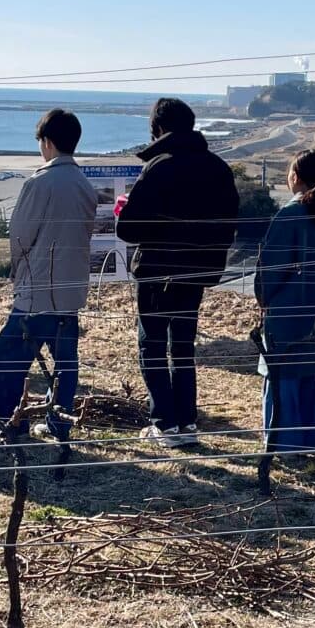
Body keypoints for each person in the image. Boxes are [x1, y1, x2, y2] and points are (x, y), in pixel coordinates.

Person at [115, 97, 239, 446]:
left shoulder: (160, 166)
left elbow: (129, 229)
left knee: (151, 344)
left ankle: (164, 423)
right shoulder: (218, 167)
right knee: (183, 345)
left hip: (157, 269)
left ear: (157, 128)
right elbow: (229, 224)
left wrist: (123, 212)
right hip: (198, 270)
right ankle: (186, 422)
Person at [0, 108, 98, 443]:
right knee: (65, 363)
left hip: (37, 292)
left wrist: (18, 273)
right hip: (70, 291)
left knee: (4, 359)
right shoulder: (85, 185)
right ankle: (60, 423)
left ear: (46, 142)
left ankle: (10, 423)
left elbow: (19, 236)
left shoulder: (40, 182)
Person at [255, 149, 315, 452]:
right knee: (309, 375)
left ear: (294, 176)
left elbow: (269, 271)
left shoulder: (288, 215)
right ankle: (311, 440)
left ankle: (282, 442)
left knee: (281, 376)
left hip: (287, 314)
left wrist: (264, 300)